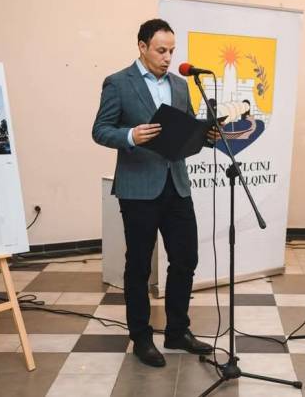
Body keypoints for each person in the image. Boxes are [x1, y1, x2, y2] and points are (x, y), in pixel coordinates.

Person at [92, 18, 216, 368]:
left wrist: (206, 136)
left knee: (186, 259)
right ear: (142, 46)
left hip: (177, 185)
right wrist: (130, 136)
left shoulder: (180, 84)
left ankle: (177, 331)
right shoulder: (118, 83)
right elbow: (100, 130)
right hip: (138, 189)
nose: (168, 57)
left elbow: (186, 129)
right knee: (138, 266)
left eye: (172, 51)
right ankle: (142, 338)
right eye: (161, 50)